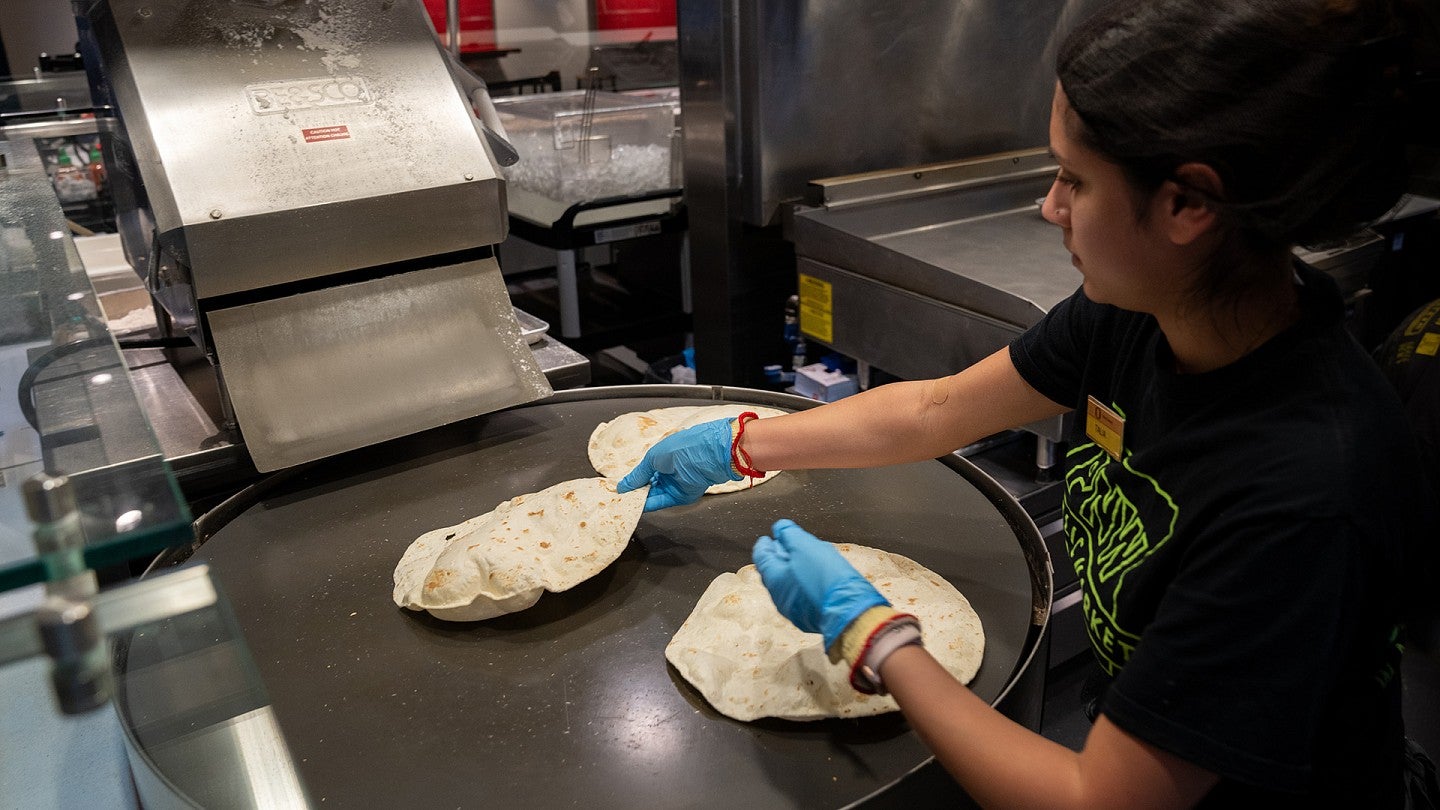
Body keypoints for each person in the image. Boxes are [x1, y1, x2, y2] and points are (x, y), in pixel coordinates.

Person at [618, 0, 1439, 806]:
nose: (1050, 207)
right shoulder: (1134, 319)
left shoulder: (1305, 493)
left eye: (1075, 180)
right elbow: (936, 410)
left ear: (1189, 204)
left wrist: (876, 638)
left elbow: (1095, 796)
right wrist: (740, 443)